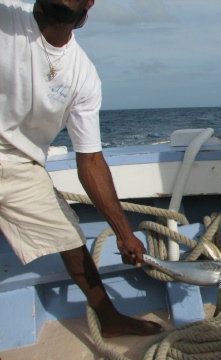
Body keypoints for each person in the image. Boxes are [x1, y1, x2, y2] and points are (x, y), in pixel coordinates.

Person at [0, 0, 164, 338]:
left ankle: (109, 319)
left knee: (70, 235)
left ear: (89, 7)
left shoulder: (83, 74)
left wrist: (124, 232)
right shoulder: (6, 16)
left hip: (18, 162)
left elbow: (89, 160)